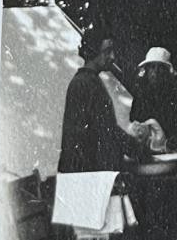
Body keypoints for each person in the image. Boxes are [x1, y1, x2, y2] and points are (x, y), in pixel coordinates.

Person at [58, 34, 154, 172]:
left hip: (79, 167)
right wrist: (138, 149)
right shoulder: (88, 84)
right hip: (85, 170)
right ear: (93, 51)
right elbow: (108, 129)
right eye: (107, 51)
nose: (113, 57)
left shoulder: (85, 81)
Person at [129, 46, 177, 152]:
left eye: (160, 68)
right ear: (146, 70)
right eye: (152, 67)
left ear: (167, 72)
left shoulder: (176, 97)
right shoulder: (140, 97)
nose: (155, 72)